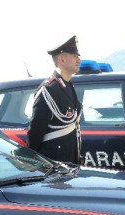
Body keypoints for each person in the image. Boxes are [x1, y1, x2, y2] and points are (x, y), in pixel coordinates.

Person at [27, 36, 83, 164]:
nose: (79, 60)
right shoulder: (48, 90)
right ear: (62, 59)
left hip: (69, 164)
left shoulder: (68, 85)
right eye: (74, 56)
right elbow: (35, 134)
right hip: (53, 169)